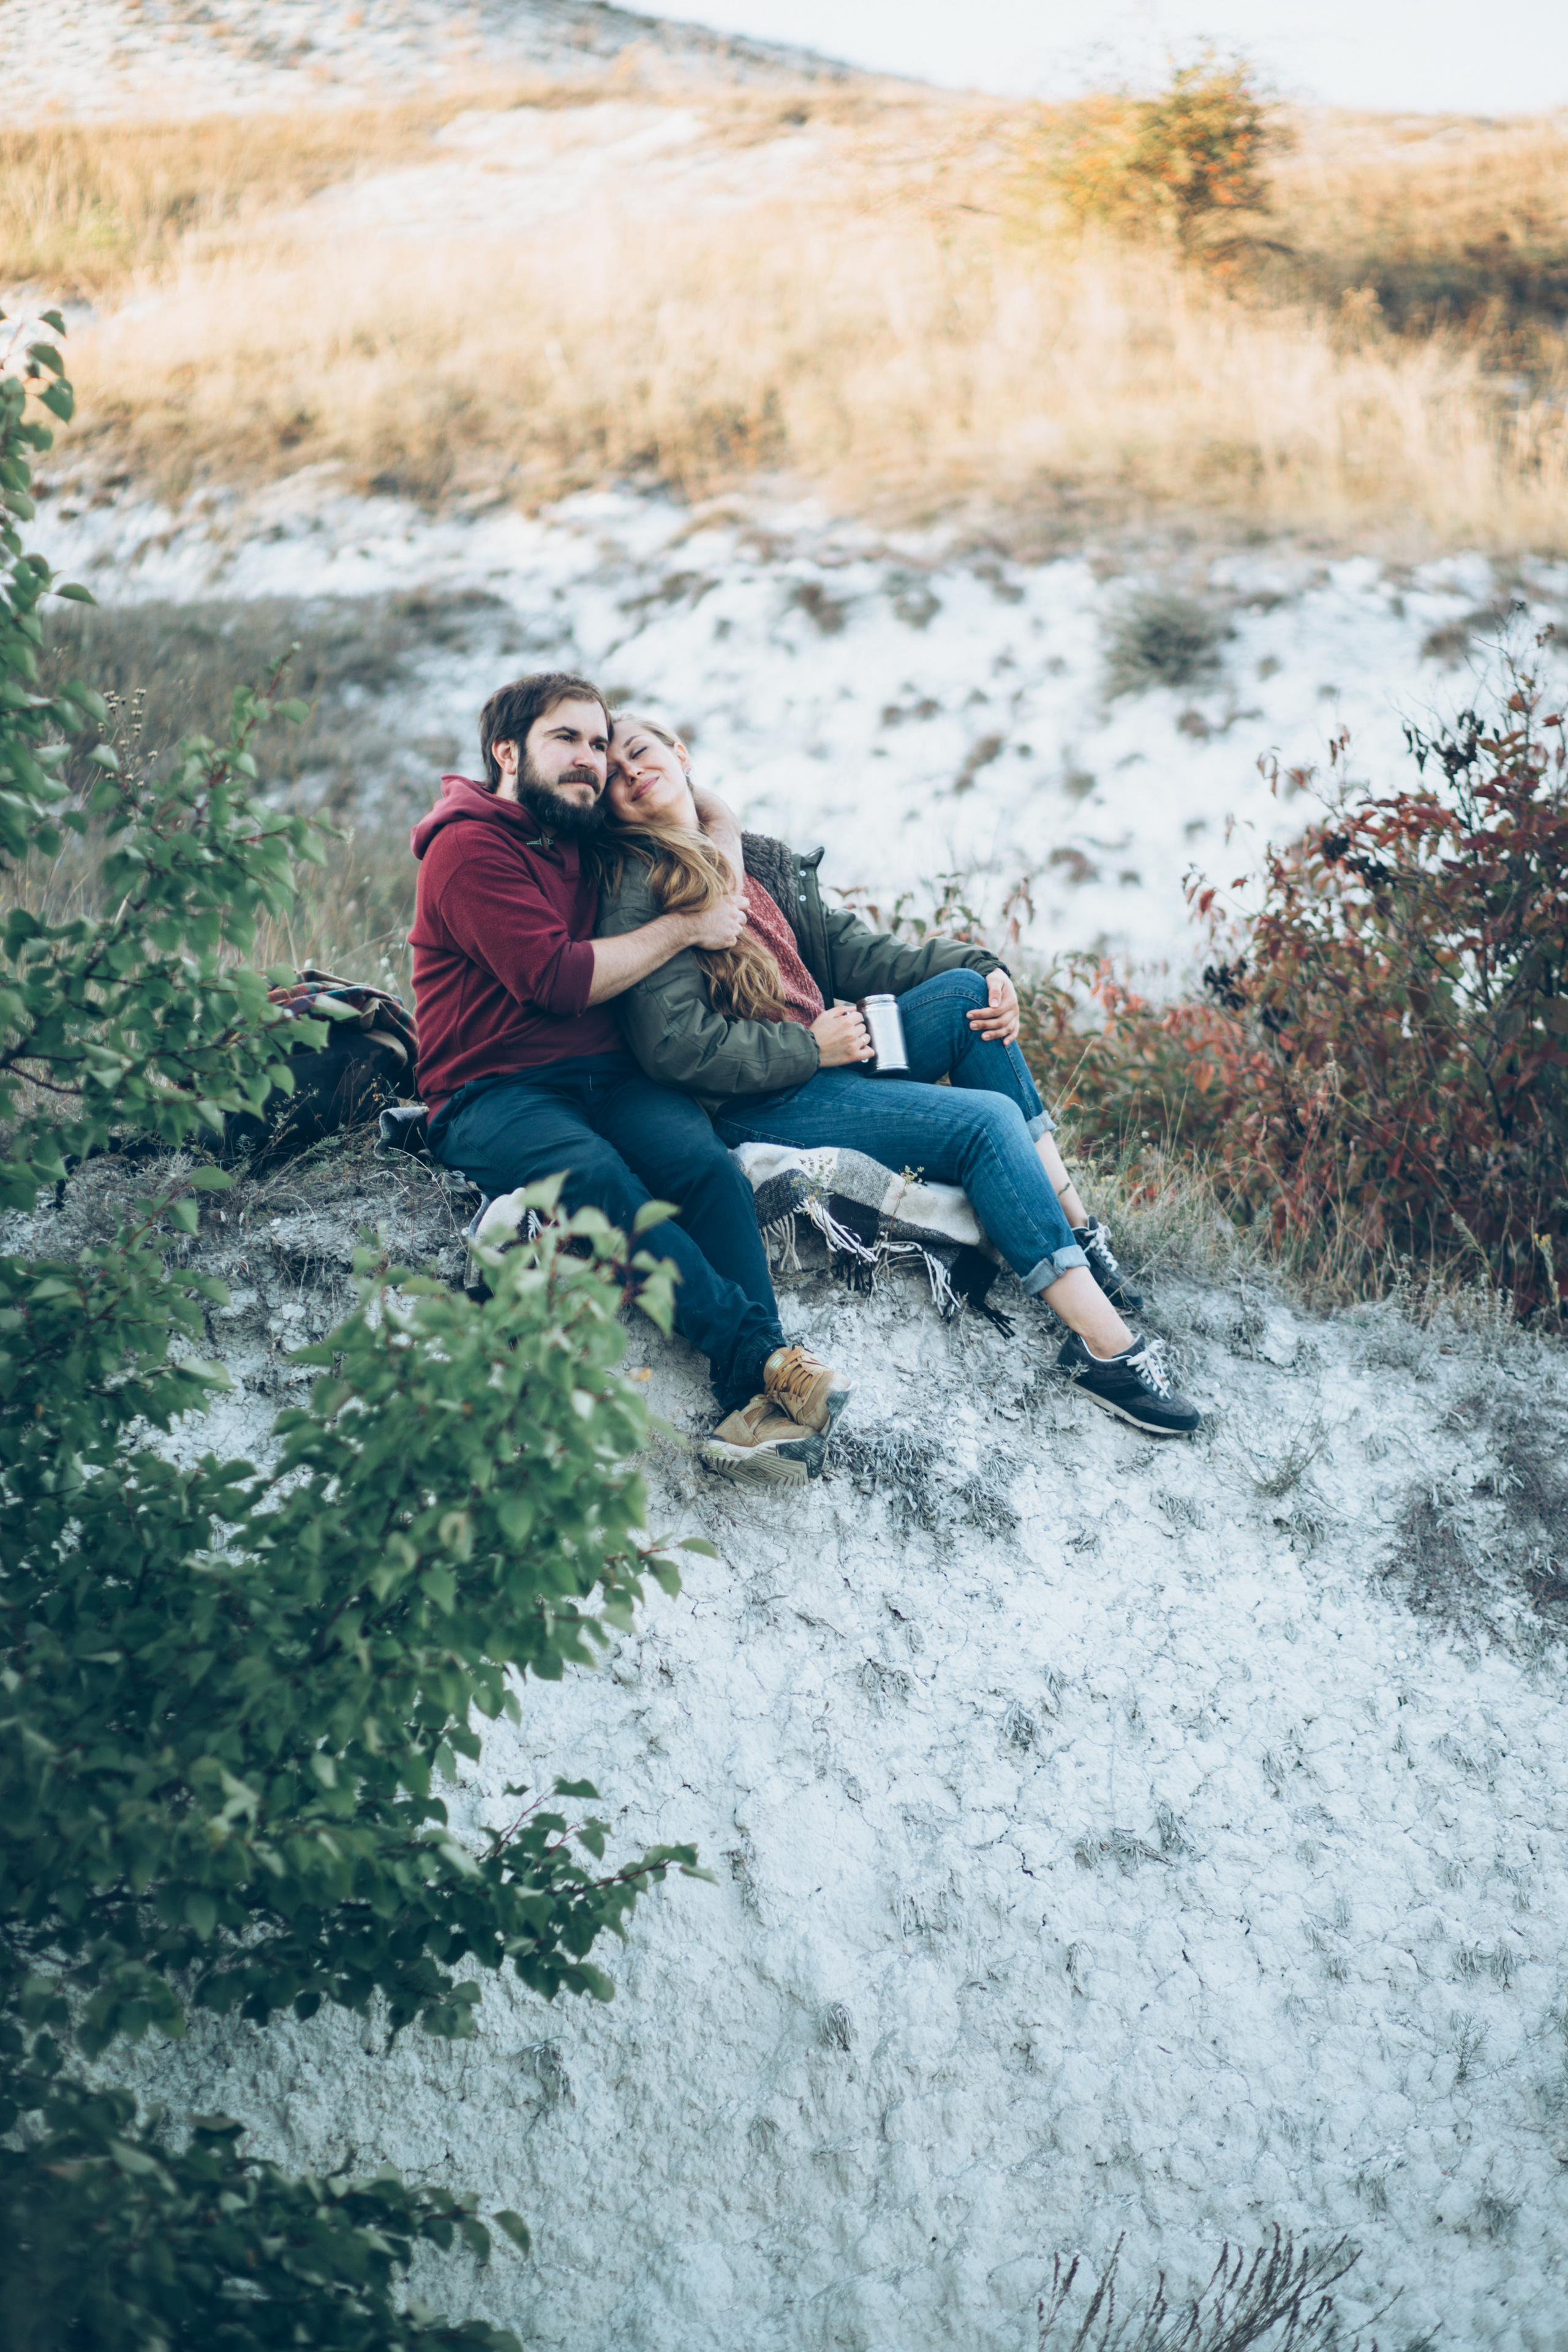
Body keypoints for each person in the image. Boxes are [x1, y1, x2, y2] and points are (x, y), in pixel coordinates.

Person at [594, 714, 1203, 1438]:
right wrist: (809, 1052)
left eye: (640, 753)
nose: (631, 773)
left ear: (680, 754)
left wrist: (986, 968)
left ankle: (1077, 1231)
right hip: (766, 1095)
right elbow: (675, 1047)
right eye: (615, 776)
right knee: (984, 1122)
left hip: (833, 1050)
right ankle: (1106, 1351)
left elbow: (861, 953)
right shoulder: (639, 884)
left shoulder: (754, 858)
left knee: (966, 1000)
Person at [408, 671, 852, 1488]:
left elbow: (690, 826)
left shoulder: (576, 834)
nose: (590, 758)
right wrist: (684, 925)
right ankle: (764, 1361)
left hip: (605, 1078)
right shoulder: (467, 846)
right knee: (602, 1184)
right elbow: (554, 979)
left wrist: (718, 815)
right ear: (507, 752)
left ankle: (749, 1412)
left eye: (599, 742)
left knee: (706, 1172)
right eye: (565, 740)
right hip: (493, 1092)